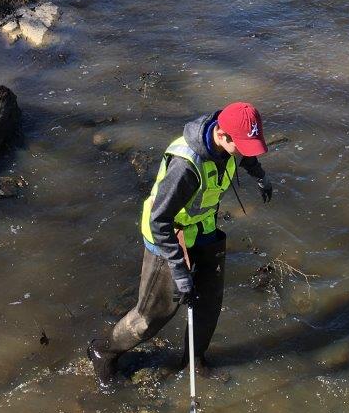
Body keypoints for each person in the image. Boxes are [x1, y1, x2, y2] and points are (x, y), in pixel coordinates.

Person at [88, 102, 273, 391]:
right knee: (153, 315)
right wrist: (180, 271)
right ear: (222, 135)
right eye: (244, 145)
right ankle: (104, 351)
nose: (248, 152)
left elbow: (246, 158)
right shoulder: (185, 166)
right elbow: (160, 219)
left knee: (209, 306)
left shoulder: (232, 146)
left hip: (205, 230)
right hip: (169, 237)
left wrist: (261, 176)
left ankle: (194, 362)